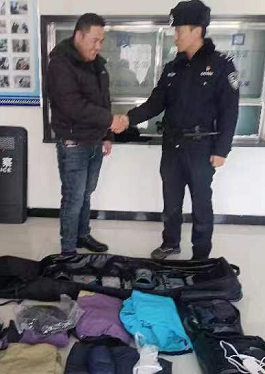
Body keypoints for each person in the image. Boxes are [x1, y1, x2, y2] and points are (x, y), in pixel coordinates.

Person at [113, 0, 239, 260]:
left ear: (196, 31)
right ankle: (170, 243)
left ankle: (201, 255)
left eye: (179, 30)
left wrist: (222, 150)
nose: (175, 36)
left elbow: (230, 111)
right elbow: (155, 103)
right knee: (171, 201)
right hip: (172, 146)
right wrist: (127, 119)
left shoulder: (221, 66)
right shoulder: (173, 68)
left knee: (201, 203)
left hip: (202, 147)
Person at [47, 13, 127, 256]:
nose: (98, 46)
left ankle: (82, 235)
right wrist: (110, 121)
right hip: (74, 144)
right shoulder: (60, 65)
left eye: (101, 41)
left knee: (86, 193)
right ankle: (68, 250)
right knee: (73, 197)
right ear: (79, 35)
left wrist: (108, 135)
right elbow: (72, 105)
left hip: (94, 141)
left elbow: (104, 101)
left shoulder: (97, 65)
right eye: (94, 40)